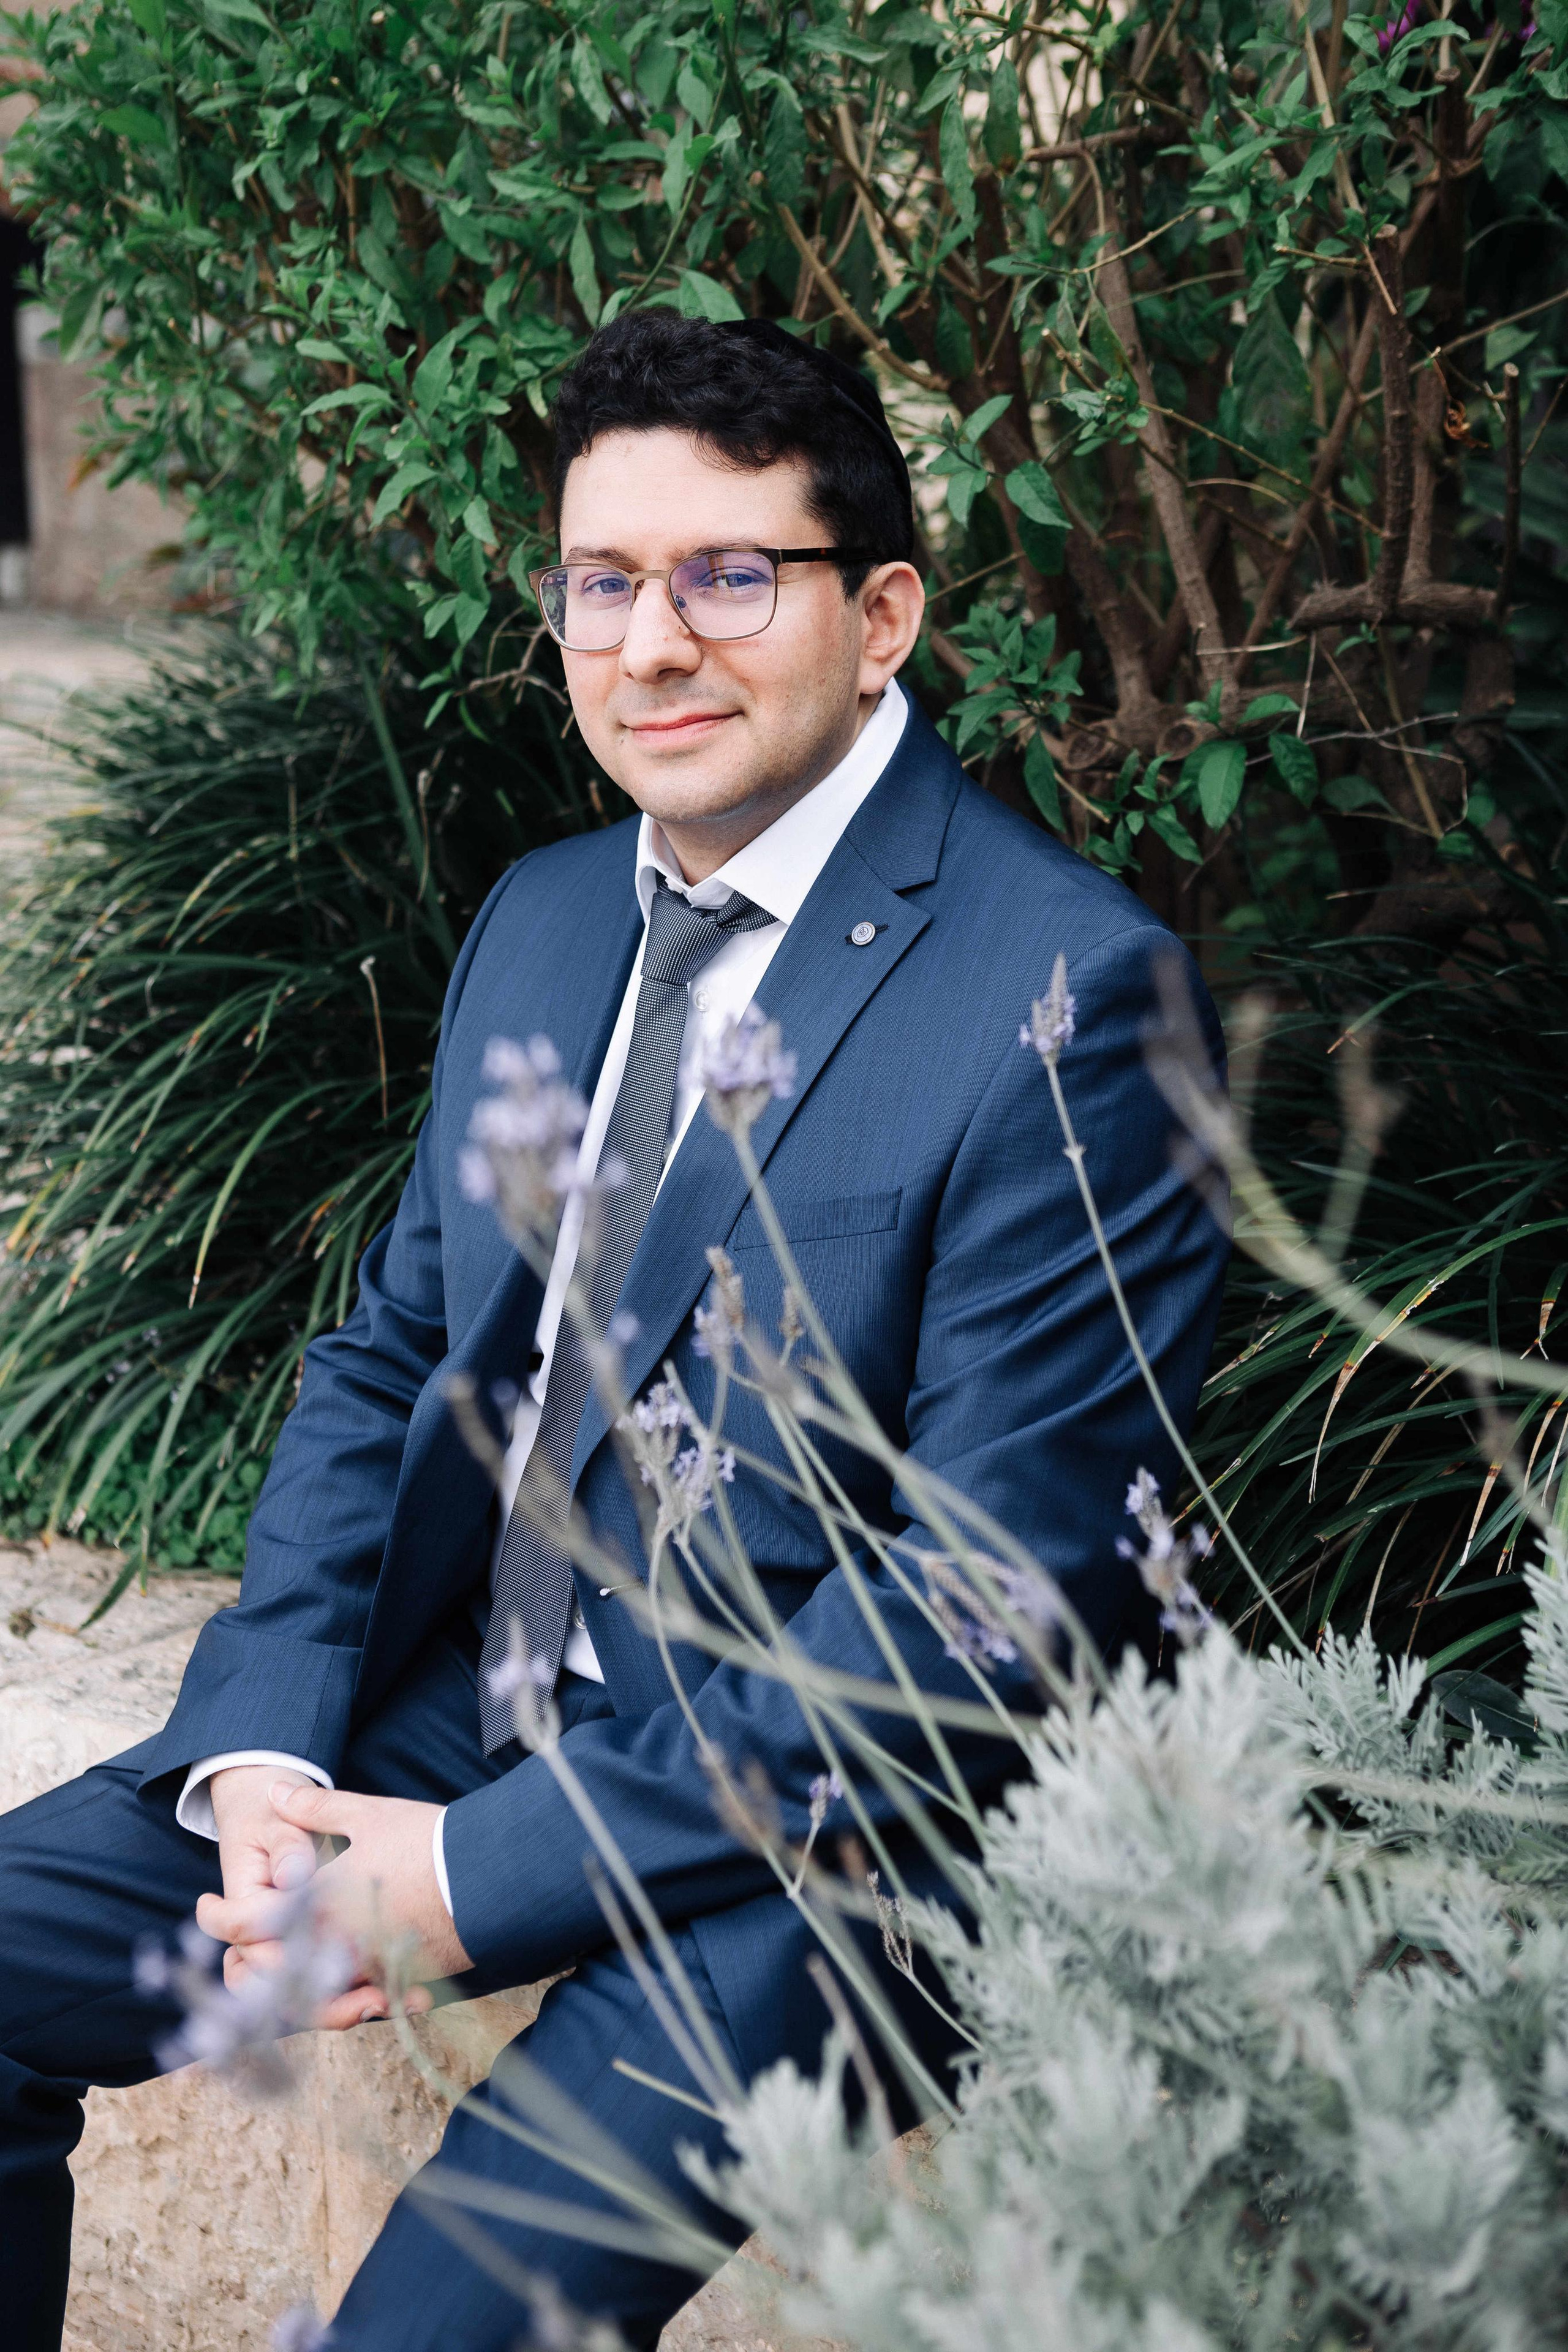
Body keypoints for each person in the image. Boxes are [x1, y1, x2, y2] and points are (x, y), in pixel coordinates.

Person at [0, 310, 1230, 2351]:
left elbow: (981, 1615)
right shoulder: (552, 916)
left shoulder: (1073, 997)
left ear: (884, 612)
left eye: (732, 575)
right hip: (454, 1714)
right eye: (603, 582)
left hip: (829, 1851)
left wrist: (470, 1880)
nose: (652, 642)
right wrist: (262, 1751)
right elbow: (393, 1354)